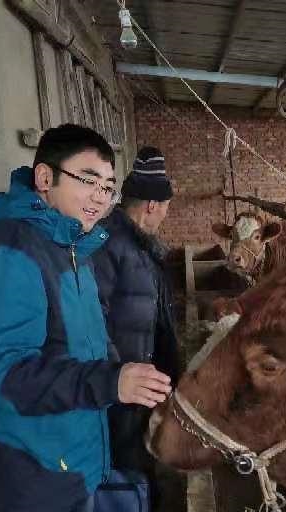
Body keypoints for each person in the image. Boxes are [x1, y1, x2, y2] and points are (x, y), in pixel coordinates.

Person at [0, 125, 172, 512]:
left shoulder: (74, 250)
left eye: (108, 186)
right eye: (87, 180)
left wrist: (133, 380)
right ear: (44, 178)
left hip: (76, 462)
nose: (100, 196)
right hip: (30, 475)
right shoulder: (9, 254)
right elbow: (6, 377)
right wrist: (111, 382)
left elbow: (91, 345)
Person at [92, 146, 180, 478]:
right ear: (152, 205)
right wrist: (119, 377)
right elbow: (92, 320)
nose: (165, 215)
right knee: (126, 474)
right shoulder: (107, 245)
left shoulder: (142, 247)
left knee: (143, 467)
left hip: (142, 388)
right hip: (122, 396)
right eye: (166, 207)